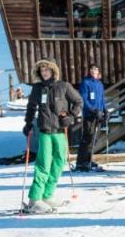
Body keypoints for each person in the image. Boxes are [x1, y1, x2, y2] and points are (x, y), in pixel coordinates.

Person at [23, 59, 83, 214]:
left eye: (46, 70)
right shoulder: (37, 88)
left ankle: (47, 195)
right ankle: (34, 199)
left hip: (60, 131)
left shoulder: (63, 86)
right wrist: (28, 123)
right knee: (43, 164)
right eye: (41, 71)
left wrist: (71, 116)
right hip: (45, 132)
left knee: (59, 162)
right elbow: (31, 107)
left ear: (53, 71)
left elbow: (78, 101)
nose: (44, 73)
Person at [75, 64, 107, 172]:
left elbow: (102, 99)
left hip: (98, 114)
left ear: (98, 72)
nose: (94, 71)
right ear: (89, 71)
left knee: (94, 138)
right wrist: (93, 110)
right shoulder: (86, 82)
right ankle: (81, 162)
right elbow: (83, 99)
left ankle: (89, 159)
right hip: (89, 115)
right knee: (87, 137)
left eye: (96, 70)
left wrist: (105, 110)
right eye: (92, 69)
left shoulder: (99, 84)